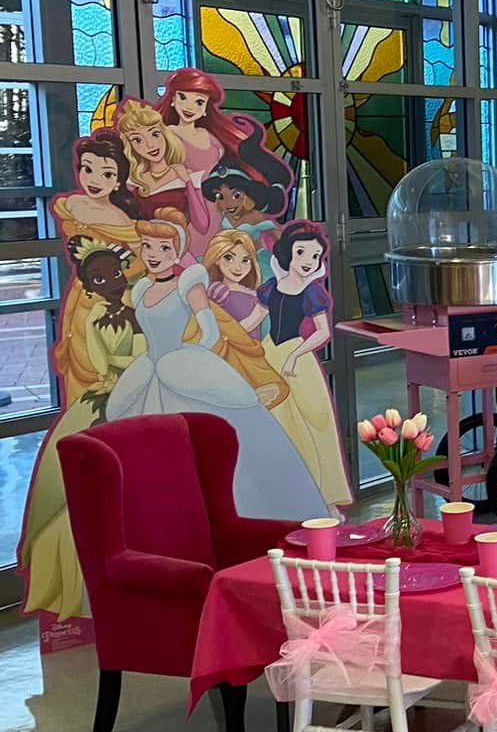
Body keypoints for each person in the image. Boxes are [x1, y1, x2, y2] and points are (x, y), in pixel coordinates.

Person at [103, 210, 326, 518]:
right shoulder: (141, 289)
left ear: (178, 251)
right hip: (150, 373)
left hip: (182, 369)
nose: (154, 254)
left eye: (164, 248)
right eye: (148, 246)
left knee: (208, 447)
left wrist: (191, 360)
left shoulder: (189, 284)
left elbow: (209, 332)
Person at [21, 237, 146, 622]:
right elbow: (102, 363)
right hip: (112, 391)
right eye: (99, 278)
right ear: (89, 286)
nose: (111, 281)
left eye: (115, 273)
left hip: (144, 382)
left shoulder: (137, 305)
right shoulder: (94, 319)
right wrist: (136, 359)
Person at [258, 222, 351, 507]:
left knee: (314, 423)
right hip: (270, 354)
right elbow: (253, 320)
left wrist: (295, 355)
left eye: (315, 255)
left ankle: (322, 496)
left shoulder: (312, 293)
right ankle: (284, 496)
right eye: (301, 253)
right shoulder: (271, 288)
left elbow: (323, 332)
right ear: (288, 253)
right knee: (277, 424)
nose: (308, 261)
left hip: (297, 359)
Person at [49, 132, 141, 403]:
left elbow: (139, 260)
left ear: (119, 181)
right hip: (81, 293)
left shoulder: (120, 219)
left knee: (105, 356)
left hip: (109, 295)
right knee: (78, 352)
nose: (95, 180)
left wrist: (115, 277)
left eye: (107, 174)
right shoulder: (72, 204)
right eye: (88, 169)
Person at [116, 96, 213, 235]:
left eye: (155, 134)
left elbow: (202, 226)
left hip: (179, 245)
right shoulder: (133, 182)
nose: (150, 145)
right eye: (137, 140)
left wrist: (188, 183)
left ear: (165, 135)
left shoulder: (188, 177)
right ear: (130, 146)